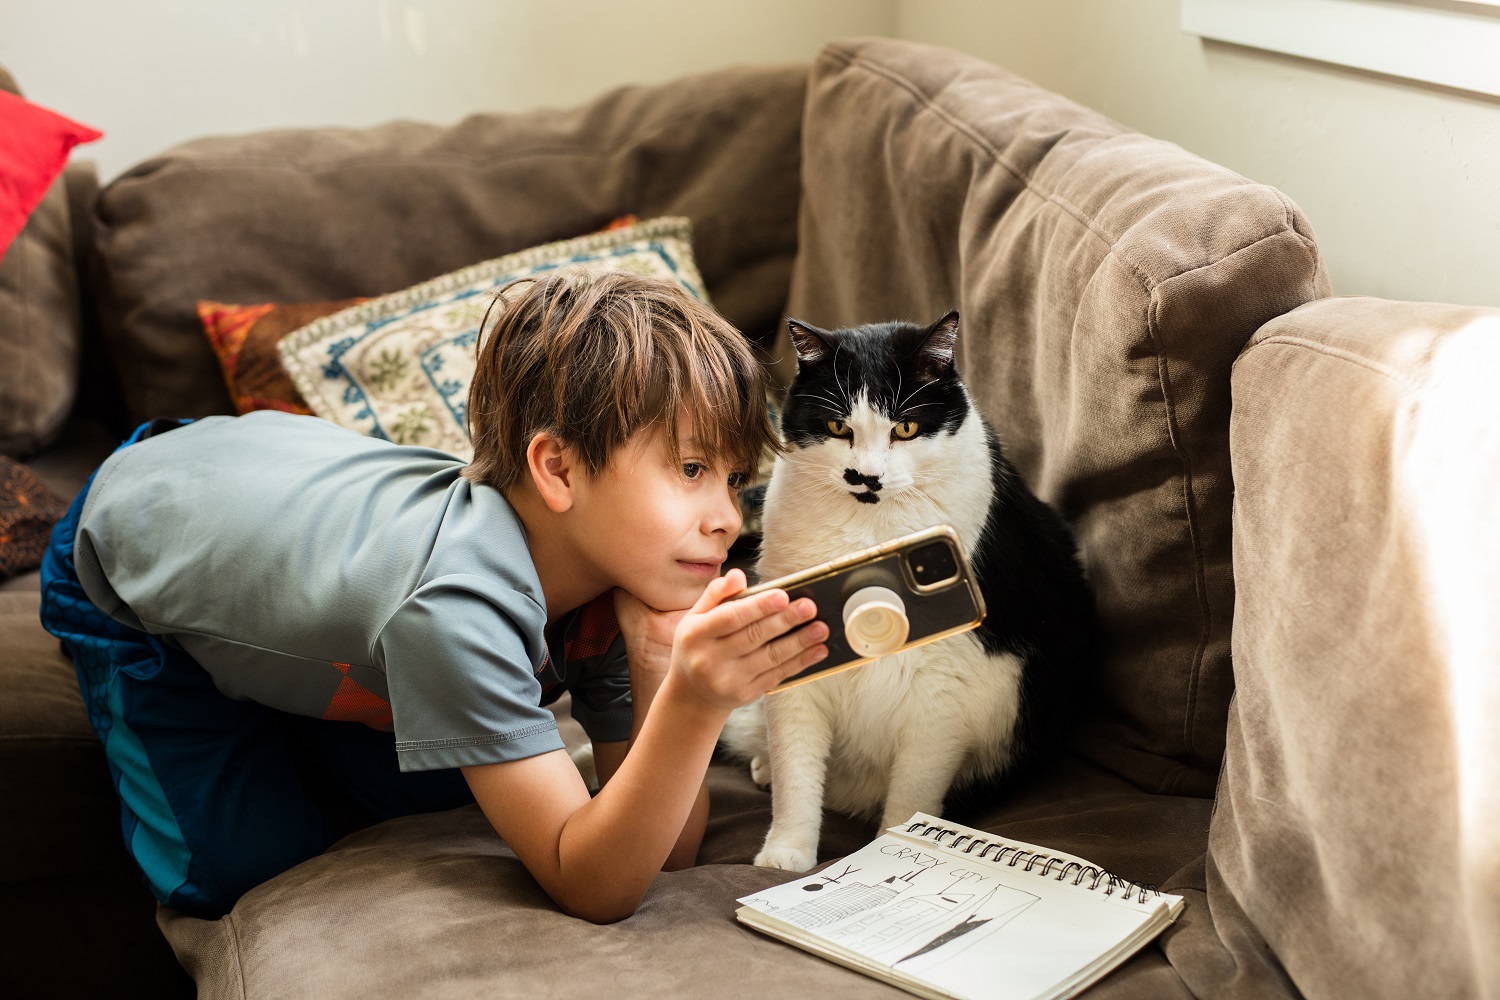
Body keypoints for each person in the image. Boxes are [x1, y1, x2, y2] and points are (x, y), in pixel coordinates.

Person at [39, 268, 829, 922]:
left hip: (283, 500)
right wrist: (694, 705)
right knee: (242, 874)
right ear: (556, 469)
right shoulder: (454, 607)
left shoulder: (616, 585)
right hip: (135, 534)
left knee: (424, 788)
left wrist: (660, 662)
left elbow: (665, 853)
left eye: (732, 479)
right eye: (691, 470)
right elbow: (592, 885)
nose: (728, 517)